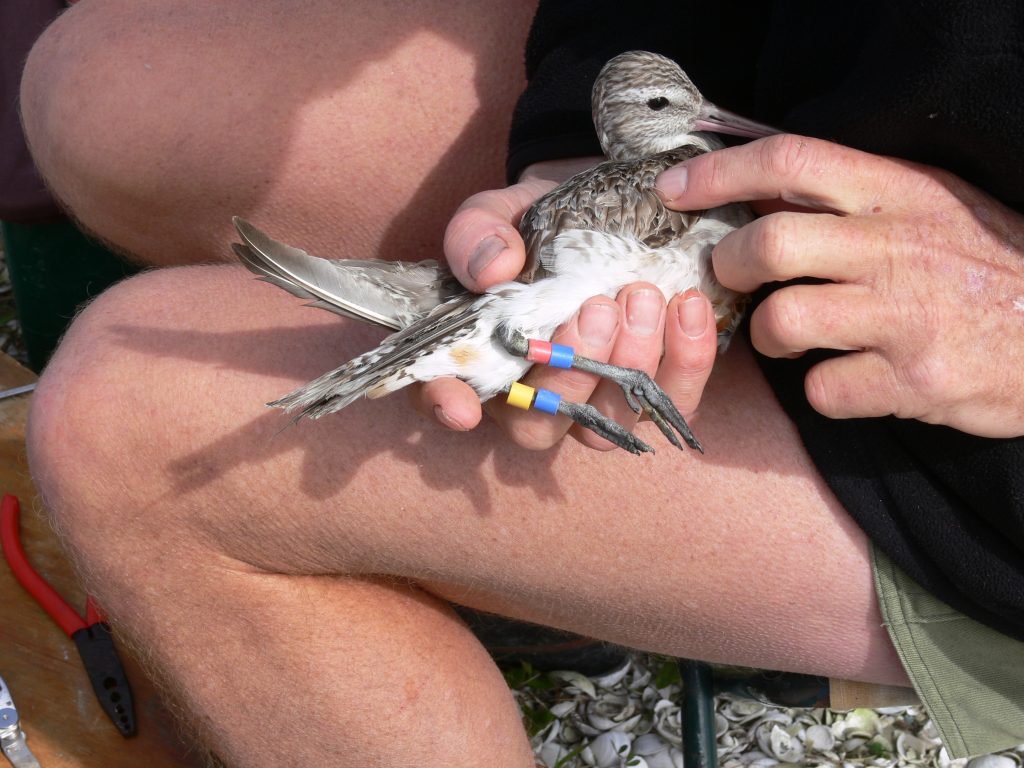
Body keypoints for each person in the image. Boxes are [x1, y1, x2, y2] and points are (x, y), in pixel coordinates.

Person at [19, 0, 1024, 765]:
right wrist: (568, 147)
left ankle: (585, 577)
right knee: (102, 91)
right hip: (836, 71)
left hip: (980, 468)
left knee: (128, 427)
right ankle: (553, 594)